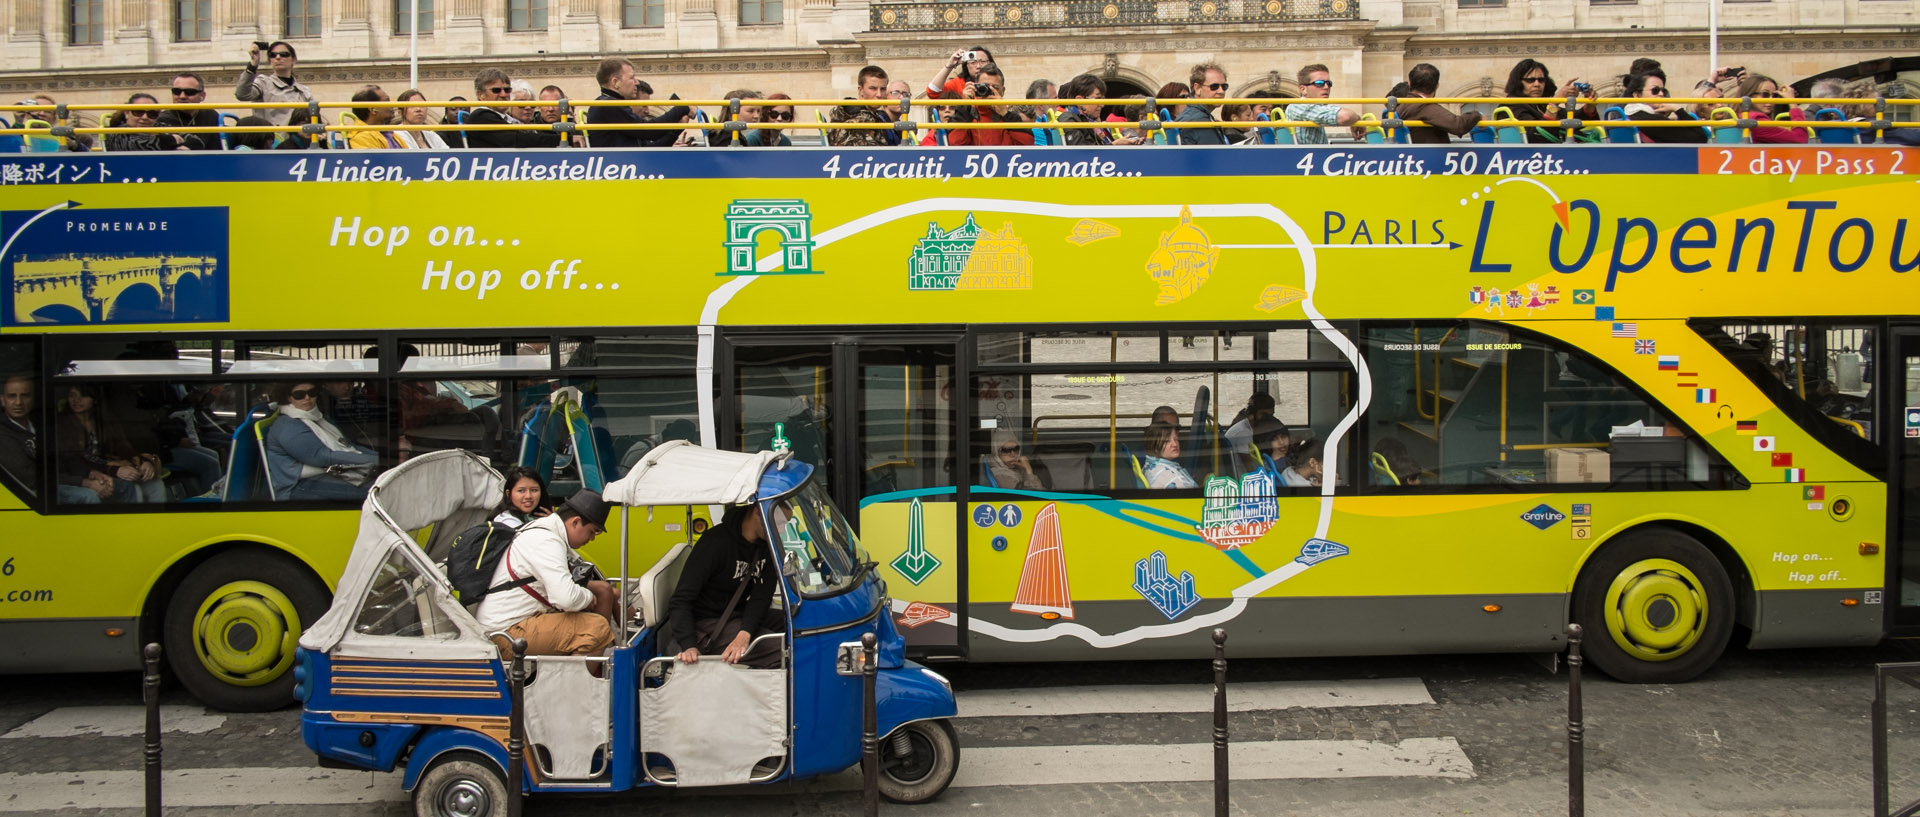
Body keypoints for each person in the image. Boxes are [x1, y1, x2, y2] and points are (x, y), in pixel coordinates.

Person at [475, 490, 618, 657]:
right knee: (597, 629)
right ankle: (574, 682)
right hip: (505, 634)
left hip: (516, 622)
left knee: (601, 593)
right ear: (576, 522)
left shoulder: (543, 532)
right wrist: (587, 597)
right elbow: (566, 599)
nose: (592, 539)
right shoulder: (546, 541)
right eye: (593, 531)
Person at [669, 502, 782, 668]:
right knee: (780, 649)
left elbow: (762, 596)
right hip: (707, 622)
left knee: (797, 625)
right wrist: (689, 645)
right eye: (779, 523)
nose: (781, 530)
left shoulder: (766, 545)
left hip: (737, 613)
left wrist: (745, 632)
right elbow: (680, 600)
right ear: (758, 512)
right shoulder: (715, 543)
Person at [265, 381, 378, 501]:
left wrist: (380, 458)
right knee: (380, 489)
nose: (307, 397)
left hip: (332, 473)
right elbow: (323, 457)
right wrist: (375, 460)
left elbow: (348, 445)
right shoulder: (288, 425)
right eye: (299, 394)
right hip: (299, 487)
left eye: (312, 392)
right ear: (288, 398)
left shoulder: (317, 417)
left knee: (386, 481)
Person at [56, 384, 166, 504]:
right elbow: (75, 460)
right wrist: (114, 470)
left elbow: (122, 447)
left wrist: (141, 461)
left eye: (83, 395)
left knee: (155, 484)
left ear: (95, 399)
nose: (76, 400)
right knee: (129, 487)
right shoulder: (62, 423)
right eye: (72, 395)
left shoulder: (105, 420)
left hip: (108, 468)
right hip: (85, 472)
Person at [465, 69, 561, 149]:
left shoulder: (507, 119)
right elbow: (518, 140)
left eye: (507, 90)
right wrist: (565, 140)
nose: (504, 95)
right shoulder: (481, 116)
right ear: (480, 94)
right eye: (496, 90)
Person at [236, 41, 318, 128]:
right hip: (272, 139)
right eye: (273, 55)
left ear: (294, 60)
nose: (278, 57)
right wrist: (253, 64)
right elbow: (242, 95)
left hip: (298, 139)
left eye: (284, 54)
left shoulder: (304, 91)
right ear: (269, 60)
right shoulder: (263, 83)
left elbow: (314, 118)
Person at [947, 64, 1032, 147]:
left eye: (995, 88)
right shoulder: (967, 114)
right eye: (984, 87)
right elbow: (955, 143)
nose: (989, 93)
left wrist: (1006, 114)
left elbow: (1027, 145)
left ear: (1003, 91)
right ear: (975, 87)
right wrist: (964, 106)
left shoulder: (1011, 116)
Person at [1399, 63, 1482, 144]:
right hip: (1429, 156)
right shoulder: (1424, 106)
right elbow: (1458, 125)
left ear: (1409, 83)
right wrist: (1478, 115)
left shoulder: (1402, 105)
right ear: (1437, 86)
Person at [1625, 69, 1709, 144]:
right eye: (1655, 90)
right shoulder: (1651, 121)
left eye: (1663, 91)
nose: (1661, 94)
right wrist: (1677, 109)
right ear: (1637, 95)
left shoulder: (1628, 114)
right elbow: (1700, 138)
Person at [1286, 64, 1360, 144]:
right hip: (1309, 155)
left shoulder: (1315, 108)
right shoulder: (1300, 106)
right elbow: (1345, 116)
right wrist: (1357, 119)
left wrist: (1356, 119)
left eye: (1329, 83)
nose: (1326, 87)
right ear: (1303, 89)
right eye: (1319, 83)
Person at [829, 65, 900, 147]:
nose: (879, 94)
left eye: (883, 89)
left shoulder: (875, 116)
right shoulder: (859, 118)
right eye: (873, 88)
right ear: (860, 90)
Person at [157, 72, 222, 151]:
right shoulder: (162, 119)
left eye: (189, 92)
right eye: (177, 91)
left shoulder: (211, 115)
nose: (182, 96)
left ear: (202, 96)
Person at [1, 374, 41, 498]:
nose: (18, 402)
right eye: (12, 396)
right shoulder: (2, 433)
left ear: (34, 398)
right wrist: (81, 482)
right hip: (33, 492)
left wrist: (88, 473)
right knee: (88, 496)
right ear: (2, 400)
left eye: (25, 395)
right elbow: (28, 476)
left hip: (57, 482)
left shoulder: (42, 424)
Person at [1739, 74, 1807, 144]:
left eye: (1774, 95)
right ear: (1749, 95)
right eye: (1765, 95)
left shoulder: (1741, 115)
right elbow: (1800, 139)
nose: (1771, 100)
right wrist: (1793, 103)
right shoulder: (1757, 121)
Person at [106, 94, 183, 152]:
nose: (145, 117)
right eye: (138, 112)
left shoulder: (159, 126)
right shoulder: (116, 133)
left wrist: (186, 145)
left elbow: (191, 138)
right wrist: (172, 140)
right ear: (126, 113)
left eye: (152, 114)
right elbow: (140, 145)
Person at [1176, 62, 1229, 145]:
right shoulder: (1199, 120)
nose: (1221, 91)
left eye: (1224, 87)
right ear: (1197, 88)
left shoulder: (1195, 114)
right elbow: (1216, 155)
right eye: (1214, 86)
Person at [926, 46, 998, 98]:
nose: (978, 66)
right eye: (973, 62)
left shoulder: (995, 81)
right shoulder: (959, 83)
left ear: (990, 63)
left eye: (983, 61)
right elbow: (932, 92)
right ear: (966, 65)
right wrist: (950, 65)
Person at [1140, 422, 1195, 489]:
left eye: (1176, 439)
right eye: (1167, 441)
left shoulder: (1150, 465)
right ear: (1154, 446)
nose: (1175, 444)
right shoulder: (1169, 477)